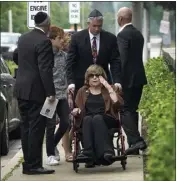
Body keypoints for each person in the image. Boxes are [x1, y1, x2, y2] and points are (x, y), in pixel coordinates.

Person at [14, 12, 55, 174]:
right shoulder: (44, 41)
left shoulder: (23, 38)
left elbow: (16, 56)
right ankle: (35, 165)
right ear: (48, 24)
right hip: (36, 91)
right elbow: (45, 69)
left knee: (25, 128)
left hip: (21, 88)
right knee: (37, 128)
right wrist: (50, 92)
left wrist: (26, 69)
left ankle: (28, 163)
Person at [72, 64, 123, 166]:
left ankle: (107, 152)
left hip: (108, 118)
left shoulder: (109, 89)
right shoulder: (82, 91)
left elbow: (118, 104)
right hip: (88, 120)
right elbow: (77, 107)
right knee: (88, 119)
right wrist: (76, 110)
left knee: (97, 118)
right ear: (88, 78)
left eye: (97, 75)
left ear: (102, 77)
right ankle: (88, 152)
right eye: (91, 75)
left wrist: (108, 86)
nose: (94, 77)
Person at [66, 9, 122, 96]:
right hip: (82, 84)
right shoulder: (77, 38)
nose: (97, 29)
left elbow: (115, 61)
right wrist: (70, 82)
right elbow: (70, 62)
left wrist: (117, 81)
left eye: (99, 26)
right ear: (88, 24)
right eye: (94, 26)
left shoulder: (110, 39)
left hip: (103, 83)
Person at [116, 7, 147, 154]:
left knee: (124, 110)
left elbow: (122, 59)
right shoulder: (138, 34)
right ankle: (134, 146)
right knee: (132, 110)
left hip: (127, 79)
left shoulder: (122, 35)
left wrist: (117, 80)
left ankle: (136, 141)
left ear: (120, 19)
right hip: (139, 78)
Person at [46, 25, 72, 166]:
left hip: (62, 96)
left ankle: (53, 145)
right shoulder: (46, 56)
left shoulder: (65, 56)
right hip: (50, 97)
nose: (63, 41)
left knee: (66, 122)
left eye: (63, 38)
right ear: (51, 40)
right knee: (49, 125)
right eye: (59, 38)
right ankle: (50, 154)